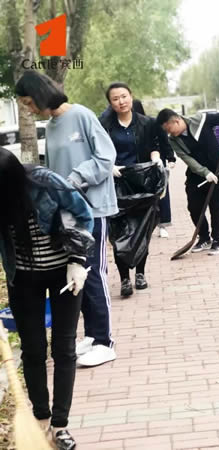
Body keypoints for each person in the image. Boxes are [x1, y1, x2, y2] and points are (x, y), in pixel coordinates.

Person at [16, 70, 119, 367]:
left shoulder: (82, 115)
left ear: (40, 94)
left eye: (29, 102)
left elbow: (105, 157)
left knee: (93, 272)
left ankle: (105, 342)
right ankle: (92, 335)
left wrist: (73, 179)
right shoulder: (51, 126)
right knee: (76, 273)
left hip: (93, 209)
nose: (28, 109)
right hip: (68, 214)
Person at [0, 147, 94, 450]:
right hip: (22, 277)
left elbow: (84, 214)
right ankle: (41, 418)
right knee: (33, 348)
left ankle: (60, 425)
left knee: (64, 347)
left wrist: (77, 260)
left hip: (63, 273)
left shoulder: (45, 181)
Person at [100, 82, 173, 297]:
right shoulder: (104, 125)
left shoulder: (147, 123)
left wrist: (156, 159)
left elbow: (154, 146)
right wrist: (109, 166)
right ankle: (124, 278)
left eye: (124, 96)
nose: (121, 101)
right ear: (110, 103)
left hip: (142, 182)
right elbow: (96, 150)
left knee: (142, 229)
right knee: (120, 233)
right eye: (115, 99)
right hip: (117, 182)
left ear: (131, 97)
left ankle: (140, 274)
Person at [157, 108, 219, 255]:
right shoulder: (173, 140)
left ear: (176, 121)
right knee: (194, 206)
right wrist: (205, 173)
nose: (169, 133)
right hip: (196, 173)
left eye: (169, 129)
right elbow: (187, 159)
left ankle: (217, 239)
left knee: (216, 206)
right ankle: (204, 237)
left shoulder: (201, 120)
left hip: (217, 168)